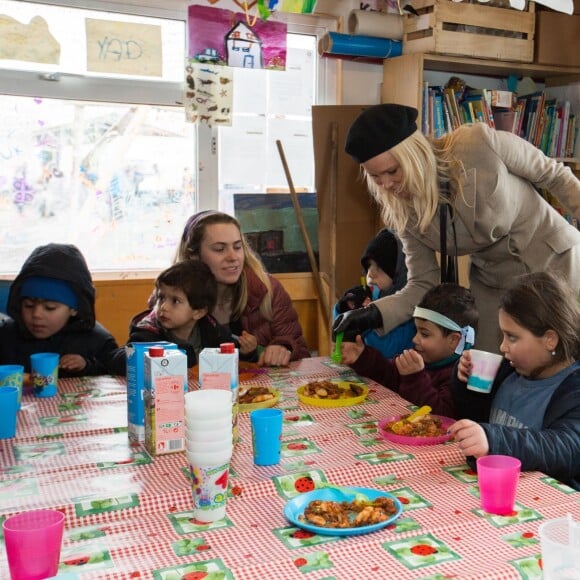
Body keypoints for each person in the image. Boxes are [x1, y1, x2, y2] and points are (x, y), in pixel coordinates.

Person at [333, 103, 580, 353]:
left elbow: (556, 176)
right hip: (493, 284)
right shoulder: (404, 213)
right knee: (485, 371)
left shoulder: (478, 144)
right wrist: (374, 313)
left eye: (393, 171)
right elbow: (423, 282)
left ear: (413, 154)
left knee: (565, 358)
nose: (386, 184)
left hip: (555, 261)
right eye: (375, 177)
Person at [449, 272, 580, 490]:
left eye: (512, 337)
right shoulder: (506, 374)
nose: (502, 347)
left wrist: (494, 441)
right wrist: (463, 380)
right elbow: (473, 416)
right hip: (492, 488)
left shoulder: (573, 391)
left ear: (550, 340)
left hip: (545, 506)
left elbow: (565, 448)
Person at [174, 210, 310, 366]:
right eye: (219, 249)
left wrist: (283, 347)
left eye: (237, 247)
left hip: (259, 388)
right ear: (193, 255)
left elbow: (301, 353)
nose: (233, 257)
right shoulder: (171, 295)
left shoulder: (268, 289)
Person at [340, 283, 477, 418]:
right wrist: (362, 356)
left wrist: (414, 378)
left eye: (424, 334)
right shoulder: (421, 356)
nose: (415, 339)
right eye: (416, 330)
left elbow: (441, 417)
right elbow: (389, 375)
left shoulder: (462, 376)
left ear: (453, 340)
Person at [0, 243, 125, 376]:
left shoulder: (97, 341)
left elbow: (113, 370)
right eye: (29, 305)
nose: (36, 314)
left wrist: (87, 365)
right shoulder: (5, 336)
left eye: (50, 308)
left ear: (74, 309)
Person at [129, 260, 257, 367]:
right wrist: (142, 358)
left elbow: (231, 359)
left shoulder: (212, 329)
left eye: (175, 301)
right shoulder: (147, 333)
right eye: (161, 297)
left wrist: (246, 352)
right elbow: (122, 359)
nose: (164, 307)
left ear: (199, 312)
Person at [334, 227, 415, 358]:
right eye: (368, 266)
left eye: (379, 267)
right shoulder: (375, 293)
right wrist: (344, 309)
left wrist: (366, 321)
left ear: (399, 272)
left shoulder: (409, 308)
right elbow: (341, 338)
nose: (370, 273)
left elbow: (387, 351)